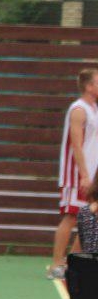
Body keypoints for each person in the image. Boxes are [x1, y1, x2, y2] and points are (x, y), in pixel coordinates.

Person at [51, 68, 98, 279]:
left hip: (92, 173)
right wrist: (84, 175)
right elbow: (76, 145)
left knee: (89, 218)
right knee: (71, 217)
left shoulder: (94, 109)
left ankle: (72, 263)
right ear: (89, 86)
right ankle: (56, 265)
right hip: (77, 174)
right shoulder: (78, 110)